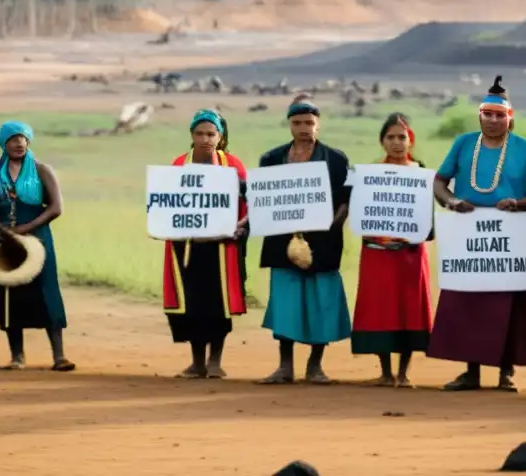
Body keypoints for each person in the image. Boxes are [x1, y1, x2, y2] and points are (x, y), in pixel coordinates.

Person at [428, 76, 526, 392]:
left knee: (507, 302)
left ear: (509, 118)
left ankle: (504, 373)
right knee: (469, 301)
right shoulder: (463, 144)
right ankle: (471, 372)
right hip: (468, 236)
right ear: (480, 115)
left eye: (500, 115)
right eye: (488, 114)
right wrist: (452, 202)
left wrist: (520, 203)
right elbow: (439, 181)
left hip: (509, 237)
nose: (493, 120)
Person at [0, 121, 74, 371]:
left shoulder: (42, 170)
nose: (19, 143)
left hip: (37, 239)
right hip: (0, 239)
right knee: (8, 295)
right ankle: (17, 356)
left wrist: (25, 229)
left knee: (46, 292)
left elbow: (56, 208)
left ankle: (59, 356)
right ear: (3, 143)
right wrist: (3, 230)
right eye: (13, 139)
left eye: (23, 139)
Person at [258, 100, 352, 385]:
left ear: (318, 124)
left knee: (320, 302)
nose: (304, 129)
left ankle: (315, 366)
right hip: (281, 242)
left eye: (309, 123)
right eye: (297, 123)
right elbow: (265, 200)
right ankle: (285, 366)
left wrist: (329, 226)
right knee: (287, 305)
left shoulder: (336, 159)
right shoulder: (272, 159)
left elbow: (346, 202)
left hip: (323, 242)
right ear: (289, 125)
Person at [164, 109, 249, 379]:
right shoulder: (179, 164)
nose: (205, 138)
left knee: (218, 304)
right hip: (187, 246)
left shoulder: (233, 165)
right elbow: (166, 201)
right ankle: (197, 362)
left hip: (223, 248)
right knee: (192, 303)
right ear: (191, 135)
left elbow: (248, 205)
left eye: (211, 133)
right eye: (199, 133)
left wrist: (240, 226)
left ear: (220, 136)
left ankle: (215, 361)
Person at [350, 113, 434, 388]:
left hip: (410, 254)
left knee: (409, 306)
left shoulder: (421, 172)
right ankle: (385, 372)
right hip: (377, 252)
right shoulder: (369, 174)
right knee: (381, 307)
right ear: (381, 141)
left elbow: (428, 220)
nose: (397, 143)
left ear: (411, 140)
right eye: (391, 137)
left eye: (402, 137)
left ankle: (404, 373)